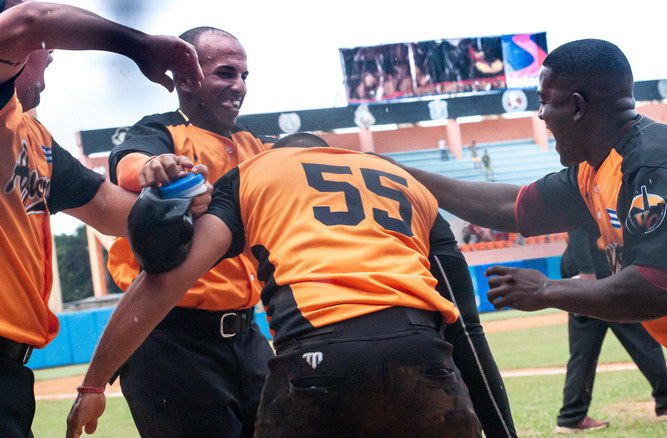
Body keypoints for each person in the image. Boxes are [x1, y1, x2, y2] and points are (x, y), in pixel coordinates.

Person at [377, 39, 667, 437]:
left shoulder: (656, 162)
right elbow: (511, 206)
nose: (540, 114)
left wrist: (547, 290)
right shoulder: (597, 168)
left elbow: (658, 289)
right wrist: (403, 175)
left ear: (575, 106)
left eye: (543, 101)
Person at [67, 133, 485, 438]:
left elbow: (163, 282)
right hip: (425, 356)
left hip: (320, 357)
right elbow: (467, 328)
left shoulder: (255, 173)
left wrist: (93, 383)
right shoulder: (402, 182)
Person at [0, 0, 205, 438]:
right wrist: (139, 46)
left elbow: (116, 210)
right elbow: (35, 21)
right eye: (39, 44)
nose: (49, 49)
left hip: (11, 375)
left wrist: (184, 195)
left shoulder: (33, 138)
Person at [105, 26, 274, 438]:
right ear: (184, 78)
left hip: (248, 337)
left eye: (243, 76)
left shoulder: (254, 145)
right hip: (171, 339)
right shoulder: (161, 131)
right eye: (225, 73)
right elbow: (128, 163)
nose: (239, 86)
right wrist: (152, 166)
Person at [554, 229, 667, 434]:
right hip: (599, 280)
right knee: (642, 340)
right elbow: (577, 226)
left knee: (583, 352)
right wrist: (587, 275)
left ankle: (571, 416)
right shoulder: (589, 198)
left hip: (587, 276)